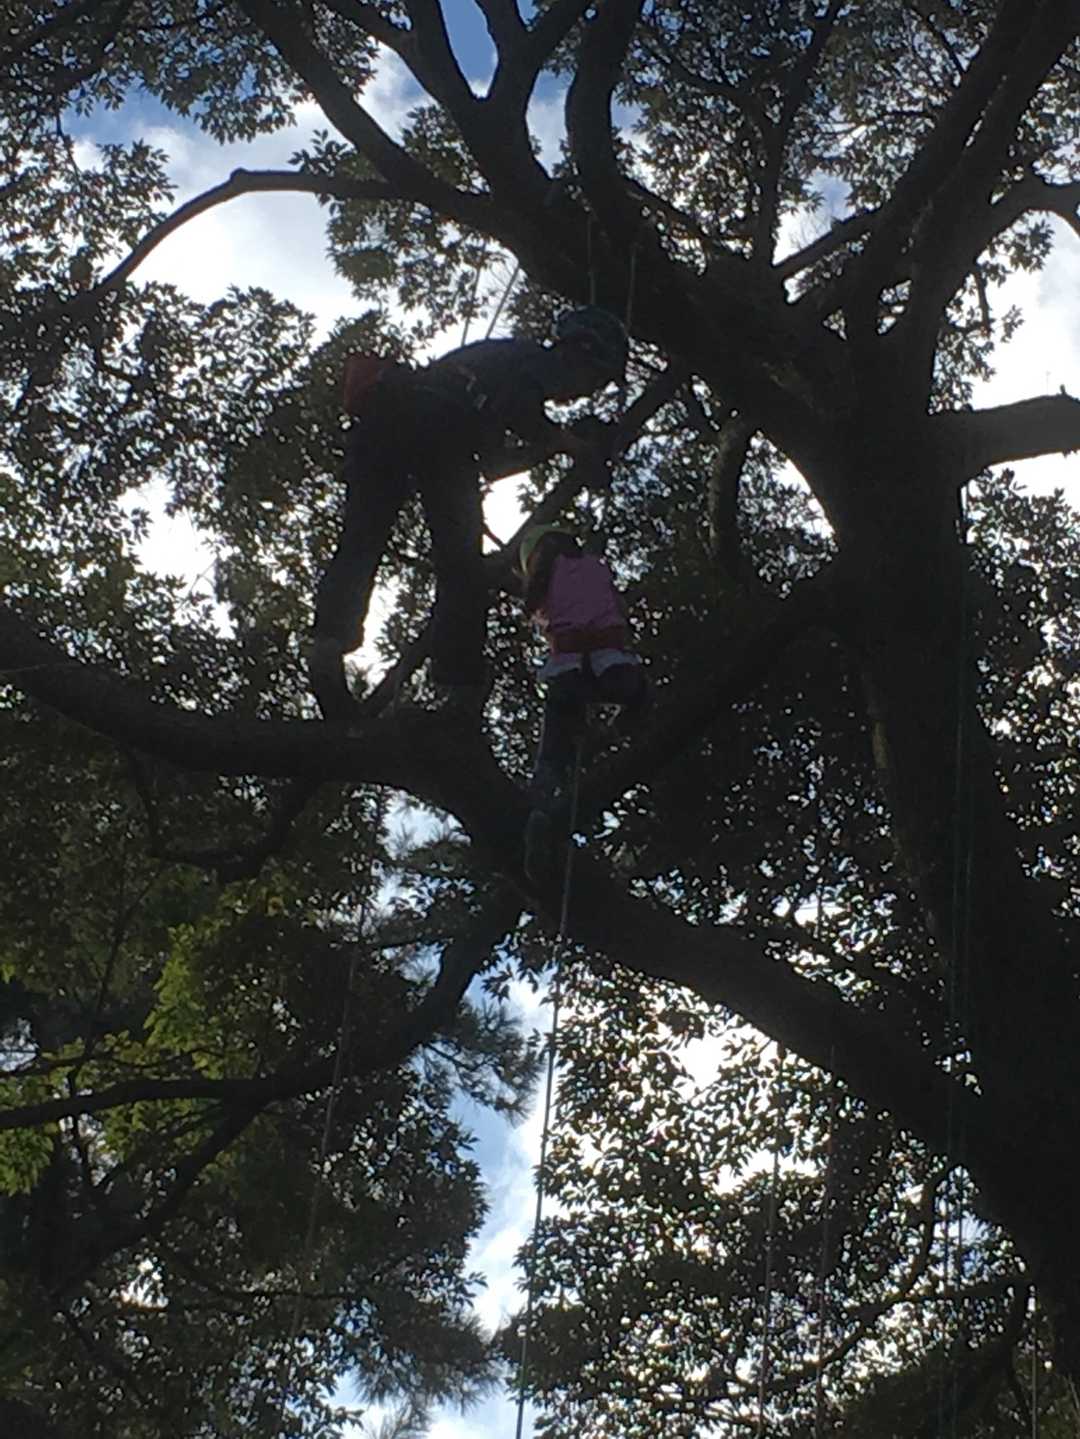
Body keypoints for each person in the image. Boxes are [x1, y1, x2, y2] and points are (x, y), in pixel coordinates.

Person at [309, 308, 628, 722]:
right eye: (595, 380)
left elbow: (494, 464)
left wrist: (555, 448)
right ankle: (457, 686)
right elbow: (520, 407)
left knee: (361, 541)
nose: (585, 393)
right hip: (440, 432)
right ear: (582, 354)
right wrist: (567, 442)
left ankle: (328, 646)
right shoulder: (537, 359)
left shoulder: (495, 367)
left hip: (389, 425)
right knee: (461, 568)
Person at [519, 524, 649, 878]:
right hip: (611, 664)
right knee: (640, 696)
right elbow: (619, 607)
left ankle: (540, 812)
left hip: (567, 671)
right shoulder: (595, 565)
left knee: (552, 756)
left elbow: (537, 610)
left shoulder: (541, 579)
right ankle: (612, 732)